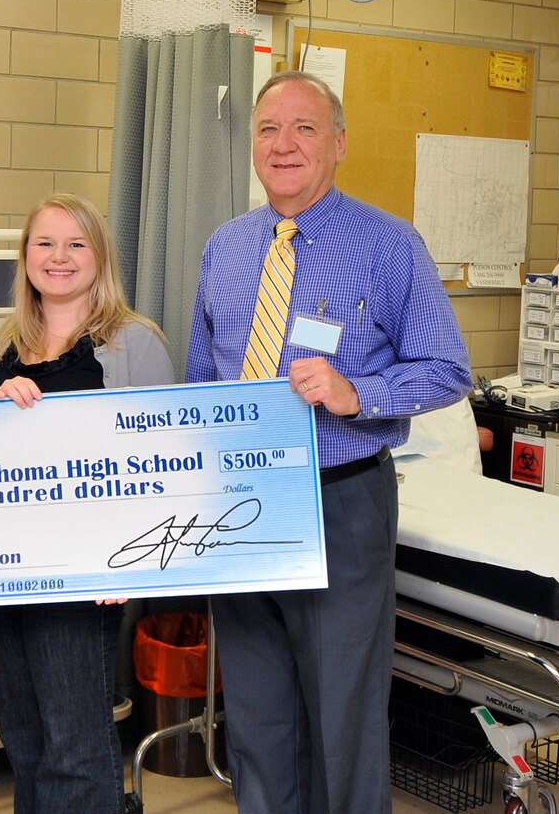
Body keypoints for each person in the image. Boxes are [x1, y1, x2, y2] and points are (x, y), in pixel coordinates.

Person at [186, 70, 472, 813]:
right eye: (268, 129)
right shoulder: (225, 247)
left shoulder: (387, 245)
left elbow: (447, 369)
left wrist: (358, 394)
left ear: (338, 143)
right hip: (241, 507)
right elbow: (199, 381)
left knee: (342, 715)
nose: (283, 145)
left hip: (338, 503)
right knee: (255, 710)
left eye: (304, 128)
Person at [0, 193, 174, 813]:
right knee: (23, 738)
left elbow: (169, 465)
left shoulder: (136, 345)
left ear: (100, 258)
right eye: (44, 244)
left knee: (75, 747)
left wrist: (131, 562)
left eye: (76, 244)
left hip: (84, 575)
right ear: (25, 258)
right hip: (0, 571)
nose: (59, 257)